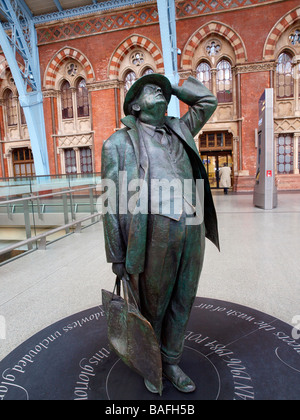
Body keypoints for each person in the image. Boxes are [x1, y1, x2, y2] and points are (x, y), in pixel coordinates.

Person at [101, 73, 219, 394]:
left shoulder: (180, 128)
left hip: (192, 226)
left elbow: (208, 101)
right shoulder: (118, 143)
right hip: (155, 232)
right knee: (154, 305)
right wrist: (117, 256)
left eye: (162, 89)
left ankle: (171, 360)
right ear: (135, 105)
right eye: (152, 89)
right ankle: (150, 363)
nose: (160, 92)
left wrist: (173, 86)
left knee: (183, 299)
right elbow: (111, 203)